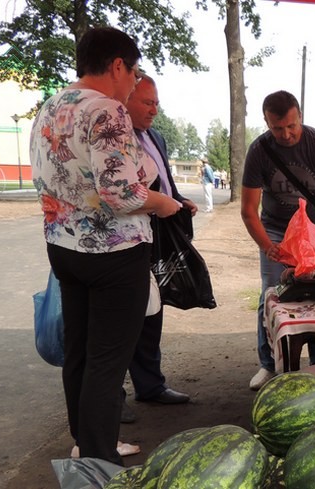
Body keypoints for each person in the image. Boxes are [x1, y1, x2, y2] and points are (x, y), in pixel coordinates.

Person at [29, 26, 181, 465]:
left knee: (80, 350)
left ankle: (86, 440)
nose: (135, 83)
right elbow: (122, 193)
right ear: (118, 65)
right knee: (107, 360)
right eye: (134, 74)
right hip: (113, 252)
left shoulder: (50, 107)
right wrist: (164, 202)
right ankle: (98, 461)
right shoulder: (107, 110)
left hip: (63, 247)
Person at [241, 90, 315, 390]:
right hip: (276, 230)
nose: (286, 134)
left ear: (299, 116)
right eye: (277, 128)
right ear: (266, 122)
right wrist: (268, 245)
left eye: (291, 126)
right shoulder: (259, 151)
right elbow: (249, 210)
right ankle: (269, 364)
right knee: (272, 295)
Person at [123, 73, 195, 418]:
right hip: (123, 238)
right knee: (122, 320)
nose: (154, 110)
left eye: (156, 103)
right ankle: (108, 399)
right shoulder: (117, 138)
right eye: (146, 103)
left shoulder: (155, 137)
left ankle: (150, 385)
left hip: (156, 234)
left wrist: (179, 200)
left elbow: (162, 181)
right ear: (126, 99)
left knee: (152, 311)